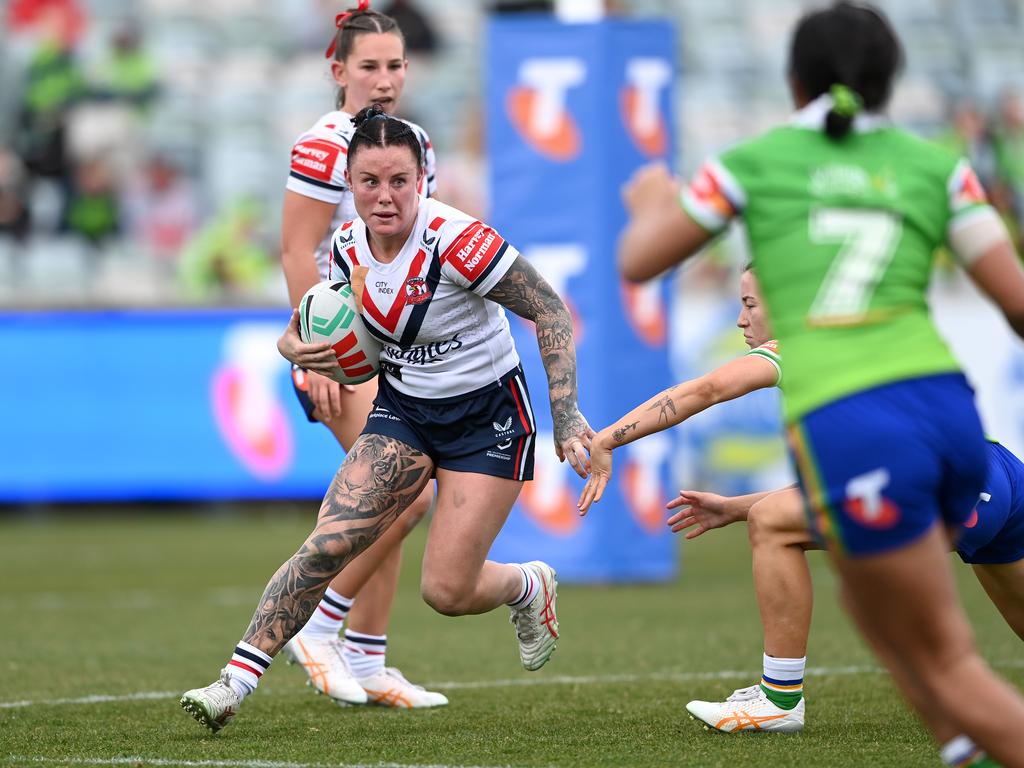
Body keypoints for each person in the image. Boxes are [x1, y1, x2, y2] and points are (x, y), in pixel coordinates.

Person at [612, 3, 1024, 765]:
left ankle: (799, 705)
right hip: (953, 413)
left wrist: (649, 205)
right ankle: (943, 736)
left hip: (860, 428)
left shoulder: (757, 161)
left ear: (794, 78)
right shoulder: (936, 164)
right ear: (889, 80)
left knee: (944, 669)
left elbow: (640, 262)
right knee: (898, 639)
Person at [180, 104, 593, 733]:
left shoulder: (460, 242)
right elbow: (306, 332)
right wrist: (295, 351)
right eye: (369, 182)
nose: (385, 196)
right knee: (327, 543)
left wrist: (566, 417)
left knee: (447, 593)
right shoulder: (346, 248)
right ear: (349, 186)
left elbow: (551, 311)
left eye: (399, 180)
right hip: (403, 409)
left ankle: (526, 587)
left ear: (423, 177)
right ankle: (232, 684)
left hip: (488, 417)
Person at [275, 3, 444, 709]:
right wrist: (316, 356)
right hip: (343, 350)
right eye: (369, 66)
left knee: (402, 496)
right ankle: (319, 624)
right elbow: (296, 249)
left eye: (395, 65)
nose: (384, 79)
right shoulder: (324, 146)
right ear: (338, 70)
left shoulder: (416, 143)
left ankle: (369, 662)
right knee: (403, 491)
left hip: (394, 344)